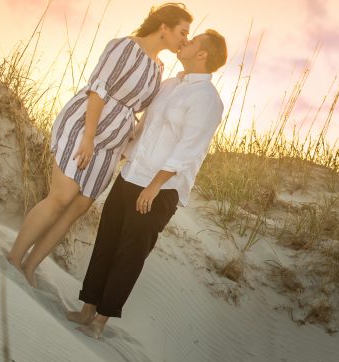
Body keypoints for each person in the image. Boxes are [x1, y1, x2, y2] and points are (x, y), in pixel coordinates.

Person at [6, 3, 193, 287]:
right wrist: (89, 138)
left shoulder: (158, 68)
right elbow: (99, 91)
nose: (185, 39)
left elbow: (139, 111)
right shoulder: (124, 47)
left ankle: (31, 266)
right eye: (182, 32)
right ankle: (14, 258)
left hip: (111, 146)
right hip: (85, 127)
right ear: (164, 27)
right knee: (61, 197)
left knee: (77, 207)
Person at [66, 29, 227, 339]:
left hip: (159, 189)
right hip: (131, 176)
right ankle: (87, 309)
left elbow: (189, 148)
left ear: (203, 55)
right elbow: (143, 128)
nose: (186, 42)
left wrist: (154, 186)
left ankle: (101, 320)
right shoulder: (168, 86)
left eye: (192, 42)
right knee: (106, 242)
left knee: (129, 253)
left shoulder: (207, 100)